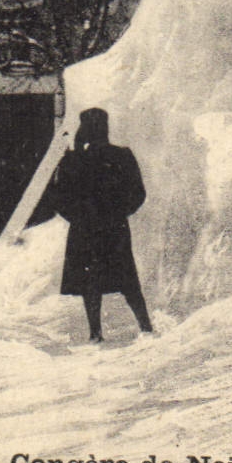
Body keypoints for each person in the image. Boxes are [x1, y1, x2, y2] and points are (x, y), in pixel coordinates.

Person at [51, 108, 154, 342]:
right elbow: (138, 193)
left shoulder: (73, 160)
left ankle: (96, 334)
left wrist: (78, 217)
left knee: (91, 282)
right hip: (114, 228)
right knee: (127, 279)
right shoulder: (122, 155)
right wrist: (119, 213)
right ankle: (146, 327)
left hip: (85, 229)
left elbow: (58, 198)